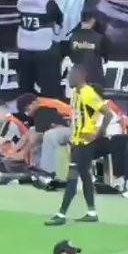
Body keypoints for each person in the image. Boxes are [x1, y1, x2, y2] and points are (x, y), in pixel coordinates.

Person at [46, 65, 113, 226]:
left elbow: (108, 113)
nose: (68, 78)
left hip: (84, 144)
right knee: (85, 176)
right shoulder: (75, 93)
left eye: (71, 75)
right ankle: (92, 212)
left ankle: (61, 214)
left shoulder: (88, 93)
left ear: (81, 76)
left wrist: (98, 133)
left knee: (72, 178)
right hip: (77, 142)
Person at [15, 0, 63, 98]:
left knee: (25, 82)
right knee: (49, 83)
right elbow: (59, 18)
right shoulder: (47, 2)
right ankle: (49, 102)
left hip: (24, 45)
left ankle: (25, 104)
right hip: (43, 46)